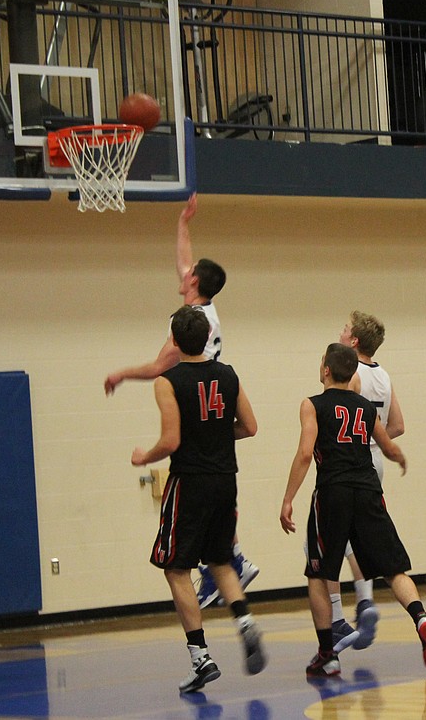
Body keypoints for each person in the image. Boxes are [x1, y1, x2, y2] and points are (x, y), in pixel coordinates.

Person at [104, 195, 258, 607]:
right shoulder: (205, 306)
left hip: (197, 401)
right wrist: (183, 223)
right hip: (214, 402)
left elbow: (159, 367)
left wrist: (120, 374)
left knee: (194, 498)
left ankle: (231, 563)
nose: (183, 271)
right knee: (218, 485)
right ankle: (234, 560)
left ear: (194, 283)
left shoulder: (189, 324)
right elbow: (185, 261)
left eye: (188, 273)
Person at [280, 343, 426, 677]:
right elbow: (387, 445)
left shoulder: (312, 405)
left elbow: (305, 454)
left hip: (333, 493)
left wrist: (288, 499)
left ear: (325, 369)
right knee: (394, 568)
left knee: (319, 572)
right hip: (368, 490)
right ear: (353, 373)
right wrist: (399, 458)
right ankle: (421, 618)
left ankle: (327, 654)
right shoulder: (366, 408)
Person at [130, 307, 266, 693]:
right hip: (225, 479)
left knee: (176, 568)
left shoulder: (167, 381)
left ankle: (200, 657)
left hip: (188, 481)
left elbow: (171, 440)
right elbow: (250, 427)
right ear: (208, 337)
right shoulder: (228, 374)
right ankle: (244, 621)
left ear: (173, 340)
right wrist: (218, 437)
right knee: (221, 559)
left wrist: (144, 457)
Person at [323, 311, 406, 654]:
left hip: (349, 462)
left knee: (329, 542)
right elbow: (398, 425)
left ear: (354, 340)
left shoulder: (349, 373)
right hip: (376, 461)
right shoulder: (384, 376)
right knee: (359, 536)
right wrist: (380, 440)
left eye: (345, 328)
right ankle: (364, 601)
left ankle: (353, 608)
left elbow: (337, 416)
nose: (340, 331)